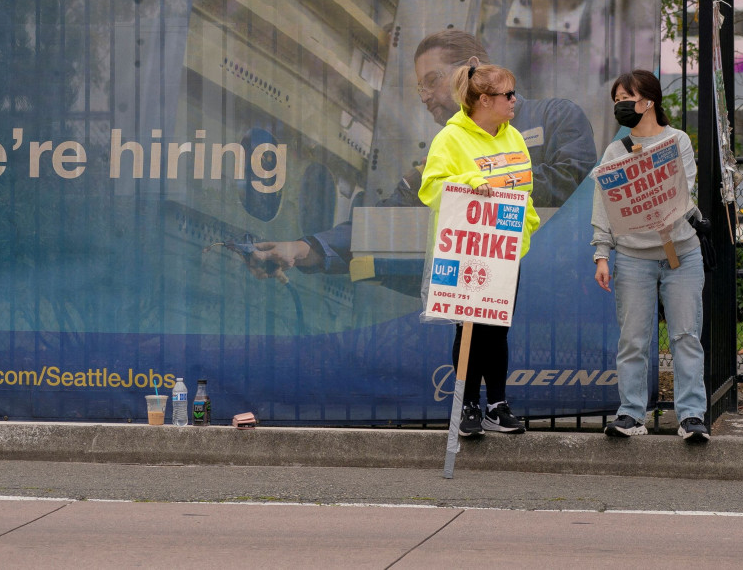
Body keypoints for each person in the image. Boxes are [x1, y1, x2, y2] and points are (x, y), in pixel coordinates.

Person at [247, 29, 593, 279]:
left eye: (432, 80)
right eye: (419, 86)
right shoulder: (445, 148)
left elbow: (575, 186)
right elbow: (385, 221)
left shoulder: (555, 117)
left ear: (472, 68)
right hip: (475, 288)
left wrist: (480, 185)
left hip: (553, 283)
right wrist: (305, 249)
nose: (424, 95)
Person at [418, 58, 540, 438]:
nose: (514, 100)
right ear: (484, 100)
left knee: (496, 328)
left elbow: (524, 187)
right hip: (465, 250)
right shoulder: (450, 138)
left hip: (504, 250)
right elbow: (431, 187)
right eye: (508, 94)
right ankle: (469, 403)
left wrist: (527, 223)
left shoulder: (513, 136)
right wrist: (471, 181)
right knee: (469, 327)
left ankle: (497, 404)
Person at [591, 69, 710, 442]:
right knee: (633, 340)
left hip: (682, 254)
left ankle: (691, 416)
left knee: (686, 336)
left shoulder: (677, 141)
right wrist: (601, 254)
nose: (621, 106)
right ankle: (630, 414)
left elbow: (684, 189)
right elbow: (603, 205)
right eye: (616, 101)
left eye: (626, 98)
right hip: (632, 258)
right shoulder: (615, 151)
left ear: (649, 101)